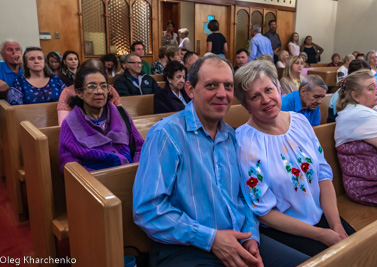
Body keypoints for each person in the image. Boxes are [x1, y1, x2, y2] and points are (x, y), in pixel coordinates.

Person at [133, 54, 310, 266]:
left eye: (228, 86)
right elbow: (148, 209)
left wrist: (252, 236)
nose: (222, 94)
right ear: (190, 90)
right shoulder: (167, 134)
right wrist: (211, 239)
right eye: (211, 85)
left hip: (238, 239)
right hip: (186, 247)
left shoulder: (233, 137)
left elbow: (243, 198)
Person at [234, 60, 355, 257]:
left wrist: (336, 225)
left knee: (365, 251)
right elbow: (263, 212)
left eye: (268, 90)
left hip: (323, 215)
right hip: (284, 229)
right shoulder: (244, 143)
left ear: (278, 88)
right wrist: (321, 235)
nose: (266, 100)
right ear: (246, 105)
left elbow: (323, 175)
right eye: (255, 96)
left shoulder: (299, 121)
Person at [335, 69, 377, 208]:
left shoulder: (371, 109)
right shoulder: (356, 115)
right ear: (355, 96)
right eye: (372, 89)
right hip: (370, 187)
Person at [59, 67, 143, 173]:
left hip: (132, 176)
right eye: (92, 86)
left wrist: (136, 170)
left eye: (103, 86)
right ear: (79, 92)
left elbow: (139, 146)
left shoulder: (121, 113)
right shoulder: (71, 124)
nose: (99, 91)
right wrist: (102, 180)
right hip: (96, 184)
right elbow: (68, 166)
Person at [57, 59, 121, 125]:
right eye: (91, 86)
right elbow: (63, 125)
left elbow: (121, 118)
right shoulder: (68, 92)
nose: (99, 91)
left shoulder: (110, 90)